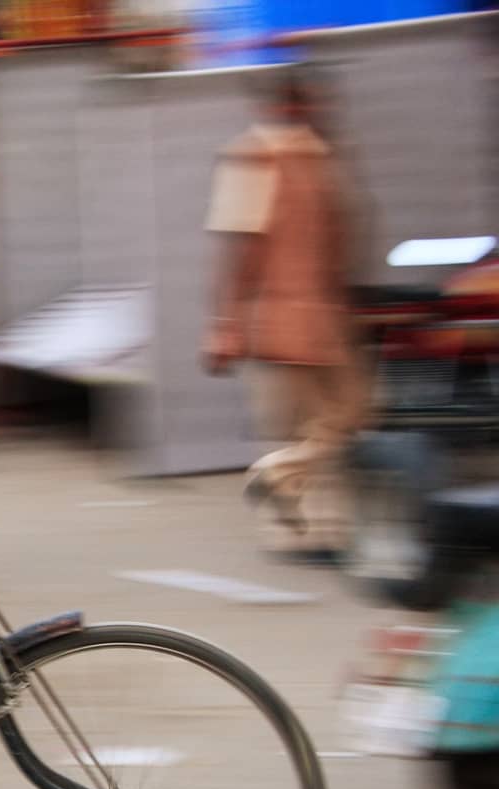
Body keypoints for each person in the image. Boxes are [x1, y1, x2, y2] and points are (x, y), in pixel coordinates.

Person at [203, 66, 363, 548]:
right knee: (320, 418)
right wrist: (226, 324)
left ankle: (295, 507)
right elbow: (243, 250)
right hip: (286, 315)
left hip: (309, 315)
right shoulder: (260, 156)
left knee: (328, 417)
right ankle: (302, 521)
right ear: (288, 104)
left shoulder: (310, 156)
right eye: (309, 101)